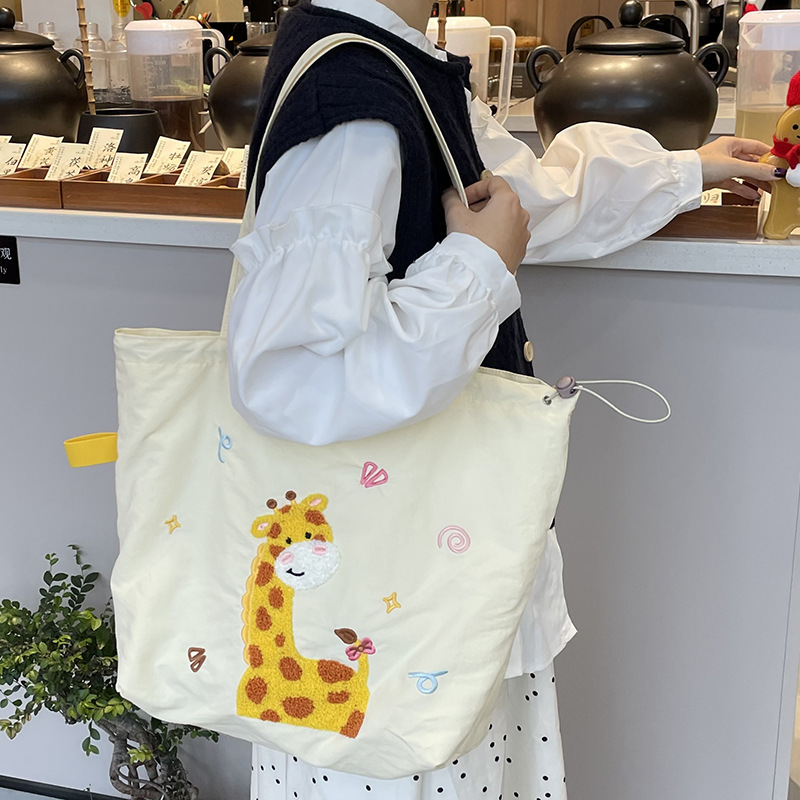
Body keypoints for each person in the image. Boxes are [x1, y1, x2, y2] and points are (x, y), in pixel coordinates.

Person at [227, 0, 780, 797]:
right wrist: (476, 269)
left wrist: (686, 168)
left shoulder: (386, 65)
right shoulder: (354, 106)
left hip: (418, 568)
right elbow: (296, 378)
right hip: (407, 592)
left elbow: (515, 198)